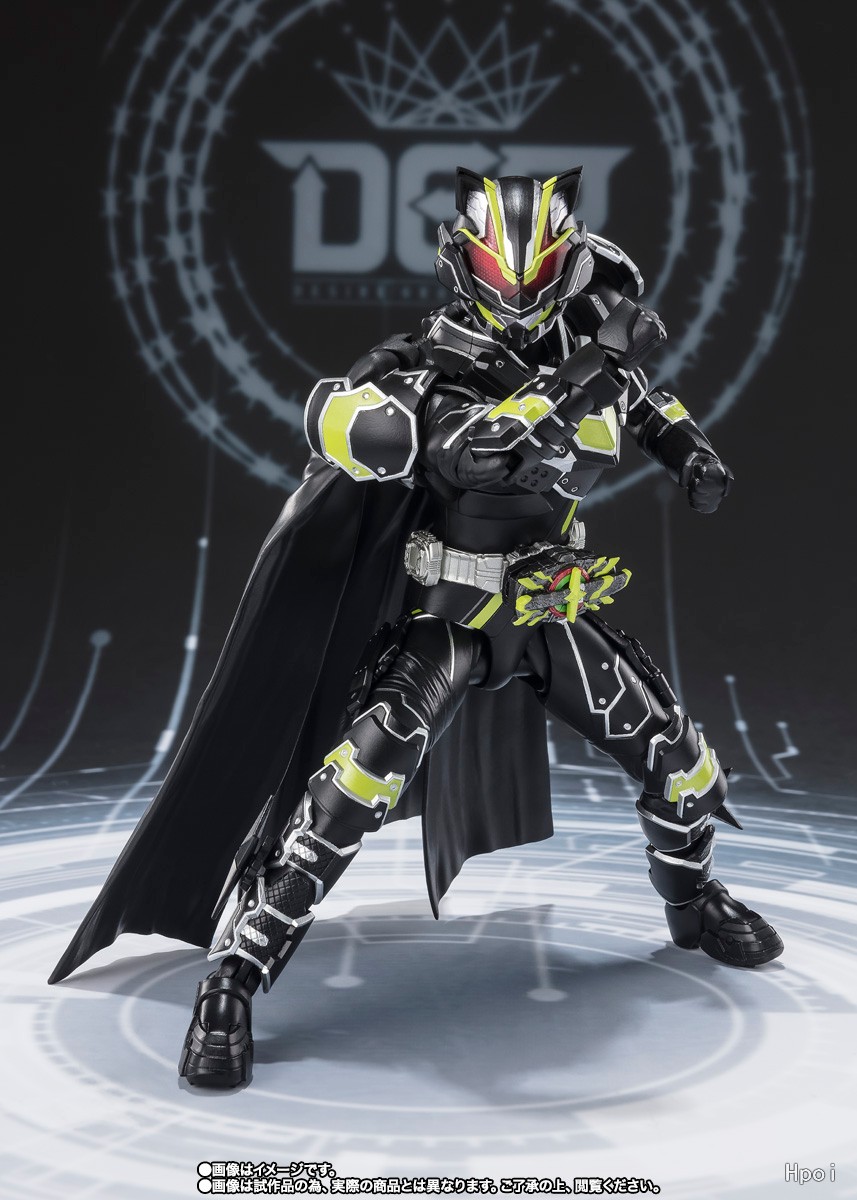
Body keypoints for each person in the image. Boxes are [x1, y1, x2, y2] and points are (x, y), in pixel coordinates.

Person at [50, 167, 783, 1089]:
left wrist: (690, 454)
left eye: (538, 272)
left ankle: (693, 900)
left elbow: (643, 403)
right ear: (464, 265)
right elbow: (488, 449)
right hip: (451, 617)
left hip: (546, 615)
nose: (519, 291)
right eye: (503, 271)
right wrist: (592, 365)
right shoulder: (428, 368)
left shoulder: (586, 346)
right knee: (350, 787)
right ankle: (235, 973)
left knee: (678, 761)